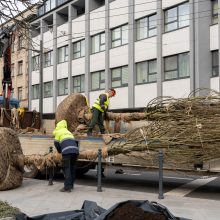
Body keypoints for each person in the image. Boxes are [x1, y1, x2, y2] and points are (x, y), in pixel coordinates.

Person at [53, 120, 79, 192]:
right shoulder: (69, 132)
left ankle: (67, 187)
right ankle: (71, 185)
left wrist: (59, 151)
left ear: (58, 126)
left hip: (67, 152)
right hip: (75, 151)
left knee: (67, 169)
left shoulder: (58, 132)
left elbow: (56, 143)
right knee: (72, 168)